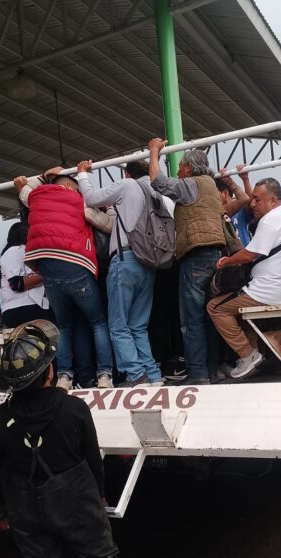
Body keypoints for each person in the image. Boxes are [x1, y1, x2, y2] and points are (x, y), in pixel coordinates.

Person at [0, 320, 118, 558]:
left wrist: (0, 509)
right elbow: (92, 459)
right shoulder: (74, 409)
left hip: (24, 507)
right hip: (77, 503)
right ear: (49, 371)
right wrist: (99, 493)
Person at [14, 167, 114, 390]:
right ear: (69, 185)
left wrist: (44, 175)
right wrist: (109, 207)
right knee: (98, 322)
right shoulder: (78, 200)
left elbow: (22, 187)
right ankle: (104, 375)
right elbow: (108, 225)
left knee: (65, 326)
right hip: (76, 267)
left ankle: (64, 377)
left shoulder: (36, 198)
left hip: (48, 272)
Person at [76, 158, 164, 387]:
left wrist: (82, 174)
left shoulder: (127, 185)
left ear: (127, 174)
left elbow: (91, 198)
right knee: (138, 326)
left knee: (118, 325)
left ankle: (136, 375)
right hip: (149, 262)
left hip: (125, 259)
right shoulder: (156, 191)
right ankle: (153, 375)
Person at [149, 140, 226, 384]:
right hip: (215, 256)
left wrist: (154, 152)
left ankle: (197, 373)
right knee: (208, 317)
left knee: (191, 321)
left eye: (180, 166)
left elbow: (158, 182)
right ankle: (212, 370)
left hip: (195, 257)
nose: (178, 170)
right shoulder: (211, 186)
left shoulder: (191, 184)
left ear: (189, 169)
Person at [207, 178, 281, 379]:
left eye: (257, 199)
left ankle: (247, 355)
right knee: (239, 313)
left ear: (273, 200)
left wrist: (225, 262)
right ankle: (257, 358)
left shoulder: (271, 220)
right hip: (277, 286)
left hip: (266, 290)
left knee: (215, 307)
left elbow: (249, 255)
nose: (252, 204)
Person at [0, 222, 55, 328]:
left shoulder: (29, 252)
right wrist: (47, 274)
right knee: (66, 319)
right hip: (20, 308)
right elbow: (17, 285)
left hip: (31, 307)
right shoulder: (13, 251)